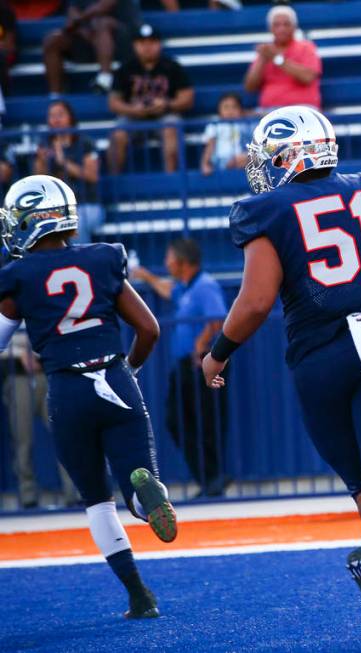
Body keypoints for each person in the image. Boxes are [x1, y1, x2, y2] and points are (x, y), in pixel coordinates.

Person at [201, 105, 361, 637]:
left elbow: (254, 303)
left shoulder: (266, 209)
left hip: (316, 358)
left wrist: (218, 352)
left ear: (286, 155)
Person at [0, 174, 177, 618]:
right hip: (116, 380)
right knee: (137, 476)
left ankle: (139, 595)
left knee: (96, 499)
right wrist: (128, 370)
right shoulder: (102, 259)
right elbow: (150, 328)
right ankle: (145, 495)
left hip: (67, 390)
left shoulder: (17, 276)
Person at [131, 238, 229, 497]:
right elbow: (166, 289)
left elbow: (217, 318)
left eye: (169, 258)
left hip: (202, 364)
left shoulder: (205, 286)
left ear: (183, 262)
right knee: (179, 421)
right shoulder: (186, 288)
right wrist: (145, 276)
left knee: (206, 422)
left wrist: (200, 344)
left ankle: (214, 478)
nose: (166, 263)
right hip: (186, 366)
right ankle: (208, 478)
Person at [1, 330, 79, 508]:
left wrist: (36, 354)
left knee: (63, 435)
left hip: (47, 374)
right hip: (17, 378)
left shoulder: (34, 302)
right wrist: (20, 353)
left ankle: (73, 492)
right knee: (22, 440)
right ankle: (27, 495)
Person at [107, 24, 194, 174]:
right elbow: (113, 102)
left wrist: (166, 104)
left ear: (159, 44)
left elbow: (188, 98)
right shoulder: (125, 68)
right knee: (118, 134)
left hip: (165, 115)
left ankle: (172, 182)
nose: (147, 47)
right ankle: (115, 184)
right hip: (133, 117)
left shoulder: (172, 66)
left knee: (171, 128)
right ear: (135, 45)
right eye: (142, 43)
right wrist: (133, 109)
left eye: (152, 42)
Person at [33, 100, 104, 243]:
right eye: (52, 116)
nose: (56, 119)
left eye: (60, 114)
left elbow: (93, 176)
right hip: (56, 208)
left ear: (70, 117)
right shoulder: (44, 144)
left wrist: (63, 162)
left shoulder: (85, 143)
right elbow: (37, 181)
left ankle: (81, 262)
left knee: (76, 222)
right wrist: (41, 160)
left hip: (87, 205)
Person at [42, 0, 140, 95]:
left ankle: (105, 78)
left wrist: (81, 19)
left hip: (122, 40)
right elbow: (71, 15)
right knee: (52, 40)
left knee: (102, 23)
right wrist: (81, 29)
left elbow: (104, 7)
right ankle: (55, 95)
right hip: (88, 40)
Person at [243, 5, 321, 110]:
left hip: (302, 109)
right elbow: (250, 87)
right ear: (270, 28)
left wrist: (277, 59)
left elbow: (307, 77)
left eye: (286, 24)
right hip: (269, 111)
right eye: (277, 25)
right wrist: (262, 59)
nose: (282, 29)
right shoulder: (267, 51)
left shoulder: (306, 47)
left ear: (294, 27)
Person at [200, 93, 251, 176]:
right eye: (226, 107)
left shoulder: (244, 123)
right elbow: (210, 145)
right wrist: (205, 164)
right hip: (220, 161)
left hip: (242, 158)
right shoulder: (214, 123)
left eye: (234, 107)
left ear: (241, 110)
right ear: (219, 109)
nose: (230, 111)